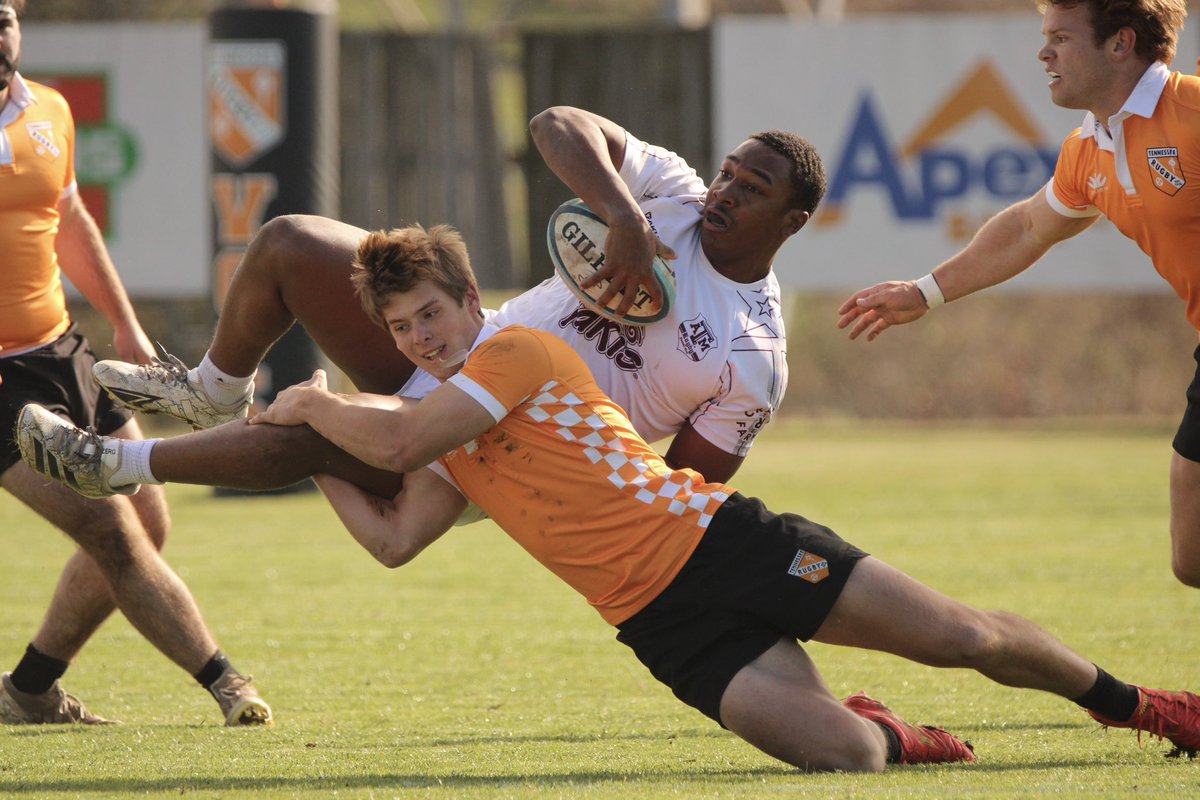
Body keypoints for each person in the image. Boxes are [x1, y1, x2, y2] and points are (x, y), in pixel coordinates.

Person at [19, 225, 1200, 770]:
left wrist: (309, 406)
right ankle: (884, 723)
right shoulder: (441, 421)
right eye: (402, 327)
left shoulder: (514, 358)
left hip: (725, 548)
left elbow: (410, 425)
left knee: (969, 637)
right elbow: (390, 539)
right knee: (847, 757)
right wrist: (317, 446)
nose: (422, 335)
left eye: (434, 313)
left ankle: (1139, 703)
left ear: (472, 302)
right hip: (661, 624)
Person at [91, 105, 824, 484]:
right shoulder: (671, 198)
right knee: (289, 241)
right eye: (729, 172)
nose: (724, 192)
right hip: (455, 346)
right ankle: (213, 391)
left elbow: (677, 491)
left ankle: (108, 467)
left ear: (791, 223)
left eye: (751, 189)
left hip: (504, 442)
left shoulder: (753, 355)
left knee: (311, 434)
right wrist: (625, 216)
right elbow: (555, 126)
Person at [836, 1, 1200, 587]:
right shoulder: (1089, 151)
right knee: (1193, 558)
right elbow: (1029, 228)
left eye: (1060, 37)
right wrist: (925, 292)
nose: (1043, 52)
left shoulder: (1192, 111)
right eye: (1044, 36)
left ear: (1120, 44)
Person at [0, 0, 270, 726]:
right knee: (109, 527)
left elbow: (71, 219)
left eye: (1, 16)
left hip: (59, 348)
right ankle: (225, 680)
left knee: (148, 520)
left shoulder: (49, 108)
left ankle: (28, 690)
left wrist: (124, 325)